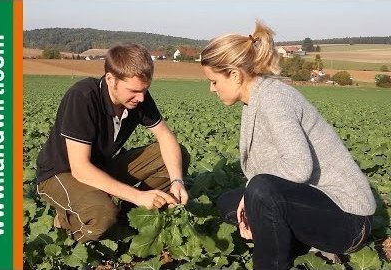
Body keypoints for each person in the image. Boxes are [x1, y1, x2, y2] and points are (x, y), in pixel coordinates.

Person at [200, 22, 376, 269]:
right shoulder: (255, 100)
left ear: (235, 74)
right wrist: (250, 199)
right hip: (314, 203)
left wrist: (253, 195)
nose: (211, 88)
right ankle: (297, 244)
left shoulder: (274, 99)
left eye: (214, 81)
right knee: (229, 202)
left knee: (259, 191)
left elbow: (298, 167)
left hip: (348, 220)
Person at [35, 43, 190, 243]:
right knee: (102, 216)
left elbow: (165, 136)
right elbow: (80, 169)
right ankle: (63, 225)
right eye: (134, 90)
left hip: (100, 168)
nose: (141, 98)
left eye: (145, 90)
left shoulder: (139, 97)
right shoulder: (83, 97)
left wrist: (177, 181)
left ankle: (130, 217)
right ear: (110, 79)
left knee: (179, 154)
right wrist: (137, 196)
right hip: (60, 174)